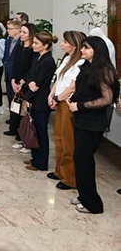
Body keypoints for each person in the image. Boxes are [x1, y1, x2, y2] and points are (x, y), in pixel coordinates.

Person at [68, 36, 119, 214]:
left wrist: (80, 106)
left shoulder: (104, 71)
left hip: (93, 121)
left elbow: (107, 99)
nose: (82, 50)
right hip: (81, 118)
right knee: (79, 158)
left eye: (87, 48)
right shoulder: (86, 67)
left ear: (97, 50)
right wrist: (72, 100)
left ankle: (93, 204)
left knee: (84, 159)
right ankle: (84, 195)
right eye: (83, 47)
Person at [47, 31, 86, 190]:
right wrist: (51, 95)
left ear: (74, 45)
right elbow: (59, 79)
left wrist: (58, 98)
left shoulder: (80, 62)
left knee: (68, 140)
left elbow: (72, 87)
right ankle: (59, 171)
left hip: (68, 103)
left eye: (65, 41)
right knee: (58, 138)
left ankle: (70, 178)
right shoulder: (66, 59)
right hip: (59, 100)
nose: (62, 44)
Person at [21, 32, 58, 172]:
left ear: (46, 45)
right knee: (34, 130)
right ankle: (35, 157)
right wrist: (29, 83)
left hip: (41, 101)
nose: (33, 45)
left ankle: (41, 162)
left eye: (36, 43)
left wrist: (29, 93)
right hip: (34, 99)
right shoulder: (38, 57)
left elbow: (39, 83)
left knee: (41, 131)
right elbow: (31, 76)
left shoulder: (48, 61)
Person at [7, 23, 38, 144]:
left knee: (24, 110)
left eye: (24, 32)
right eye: (21, 32)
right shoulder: (19, 46)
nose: (21, 34)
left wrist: (23, 81)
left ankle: (22, 134)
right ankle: (14, 129)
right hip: (16, 80)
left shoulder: (33, 50)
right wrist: (13, 80)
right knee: (15, 106)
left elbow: (32, 68)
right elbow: (15, 64)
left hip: (26, 82)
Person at [2, 20, 21, 130]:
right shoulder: (8, 41)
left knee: (17, 99)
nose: (8, 31)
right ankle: (12, 118)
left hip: (16, 74)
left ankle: (17, 123)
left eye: (10, 29)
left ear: (17, 30)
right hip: (8, 72)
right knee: (10, 97)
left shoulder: (21, 42)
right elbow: (6, 55)